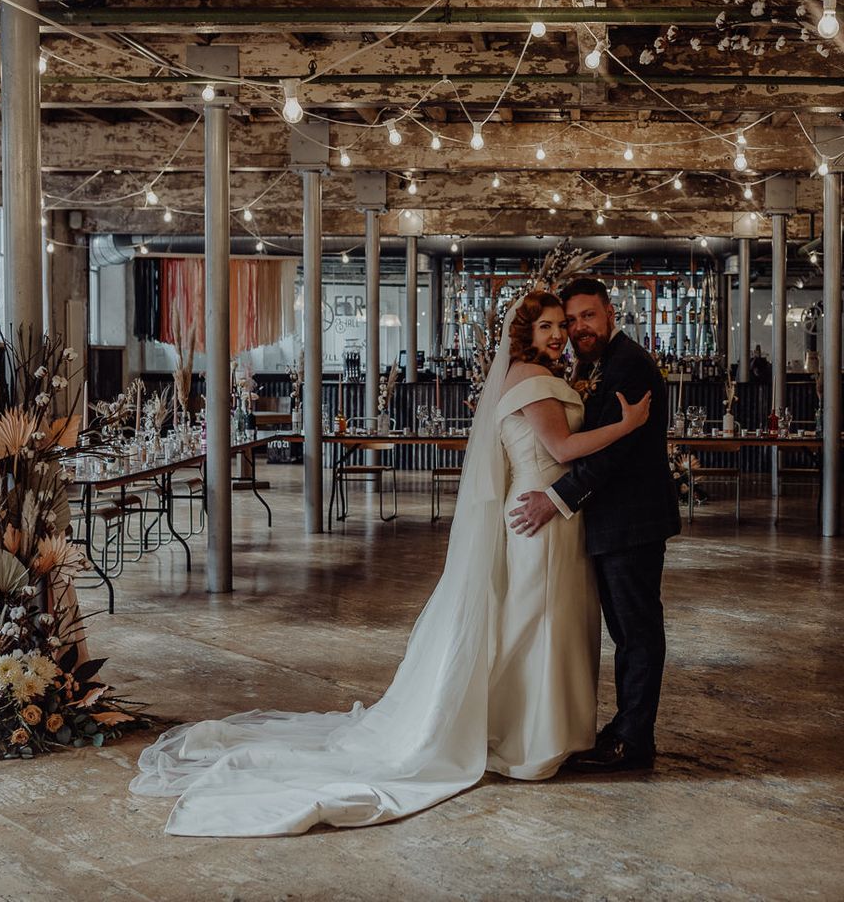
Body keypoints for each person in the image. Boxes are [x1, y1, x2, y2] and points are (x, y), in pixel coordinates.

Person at [129, 290, 650, 837]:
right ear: (524, 333)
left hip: (553, 514)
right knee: (539, 623)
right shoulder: (531, 380)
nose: (559, 335)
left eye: (561, 326)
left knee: (548, 623)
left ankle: (539, 730)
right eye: (547, 326)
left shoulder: (533, 377)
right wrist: (628, 424)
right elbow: (564, 450)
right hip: (540, 515)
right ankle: (533, 742)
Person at [509, 278, 681, 773]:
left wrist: (556, 499)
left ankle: (633, 742)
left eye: (586, 317)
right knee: (627, 632)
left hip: (632, 522)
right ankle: (623, 730)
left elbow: (613, 453)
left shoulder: (628, 364)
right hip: (608, 521)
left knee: (637, 632)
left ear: (609, 313)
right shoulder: (590, 364)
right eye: (568, 321)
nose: (577, 328)